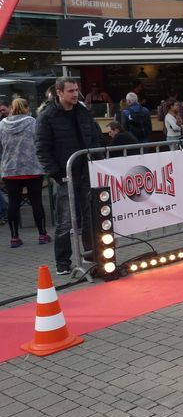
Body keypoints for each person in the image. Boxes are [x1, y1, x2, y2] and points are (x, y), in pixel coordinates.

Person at [36, 76, 102, 276]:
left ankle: (90, 253)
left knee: (90, 215)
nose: (75, 94)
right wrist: (56, 173)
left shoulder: (83, 111)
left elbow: (95, 135)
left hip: (85, 171)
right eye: (70, 91)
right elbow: (42, 149)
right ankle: (63, 262)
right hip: (65, 175)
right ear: (59, 92)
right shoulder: (47, 116)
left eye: (76, 90)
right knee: (65, 220)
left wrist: (97, 157)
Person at [0, 99, 51, 248]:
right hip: (32, 169)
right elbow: (41, 142)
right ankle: (42, 234)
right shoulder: (33, 123)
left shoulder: (2, 125)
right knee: (36, 202)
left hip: (10, 170)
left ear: (12, 109)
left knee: (13, 204)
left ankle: (14, 237)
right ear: (27, 108)